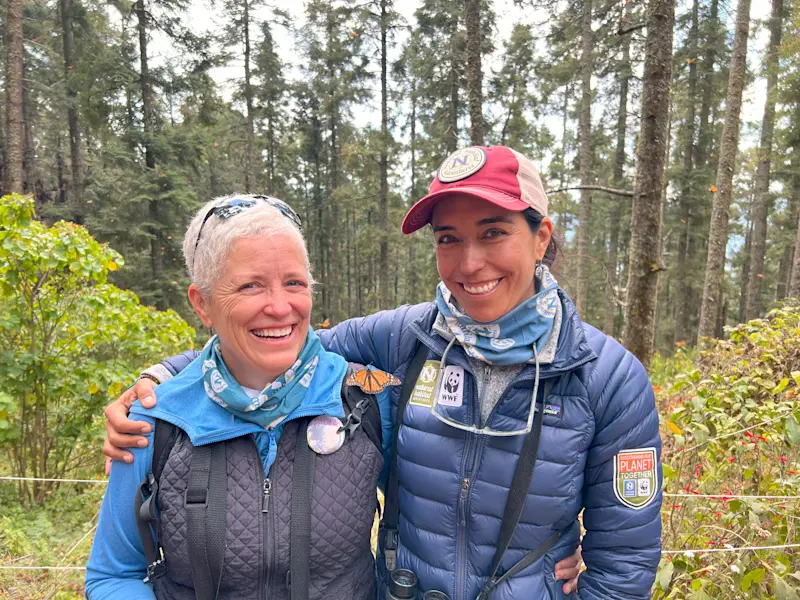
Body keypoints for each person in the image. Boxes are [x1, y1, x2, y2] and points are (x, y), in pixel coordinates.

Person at [104, 146, 661, 599]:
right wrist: (163, 381)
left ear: (540, 237)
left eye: (493, 232)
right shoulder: (407, 338)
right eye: (449, 239)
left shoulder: (607, 378)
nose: (470, 262)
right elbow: (286, 345)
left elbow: (627, 562)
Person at [86, 196, 391, 599]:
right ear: (202, 304)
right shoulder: (153, 420)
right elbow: (114, 576)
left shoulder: (367, 402)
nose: (280, 307)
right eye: (251, 285)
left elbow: (427, 538)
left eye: (294, 283)